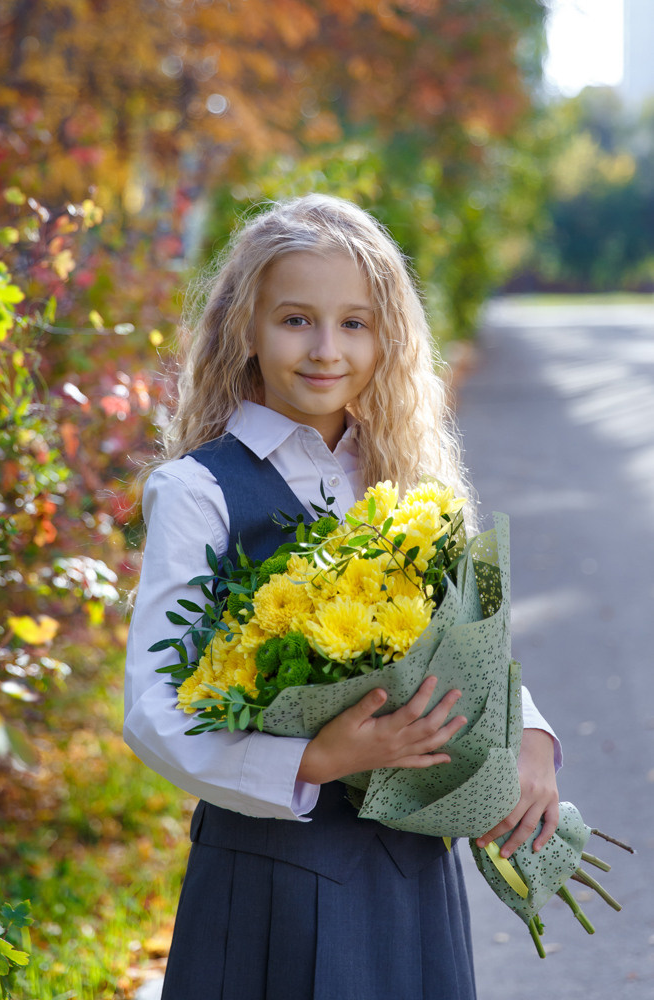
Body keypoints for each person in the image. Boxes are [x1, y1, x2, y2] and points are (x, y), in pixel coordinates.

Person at [124, 194, 561, 1000]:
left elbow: (466, 644)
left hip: (409, 867)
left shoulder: (404, 480)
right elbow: (153, 707)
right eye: (296, 320)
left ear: (385, 335)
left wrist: (527, 736)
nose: (327, 350)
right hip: (270, 878)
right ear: (244, 329)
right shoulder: (197, 492)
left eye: (354, 323)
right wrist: (313, 760)